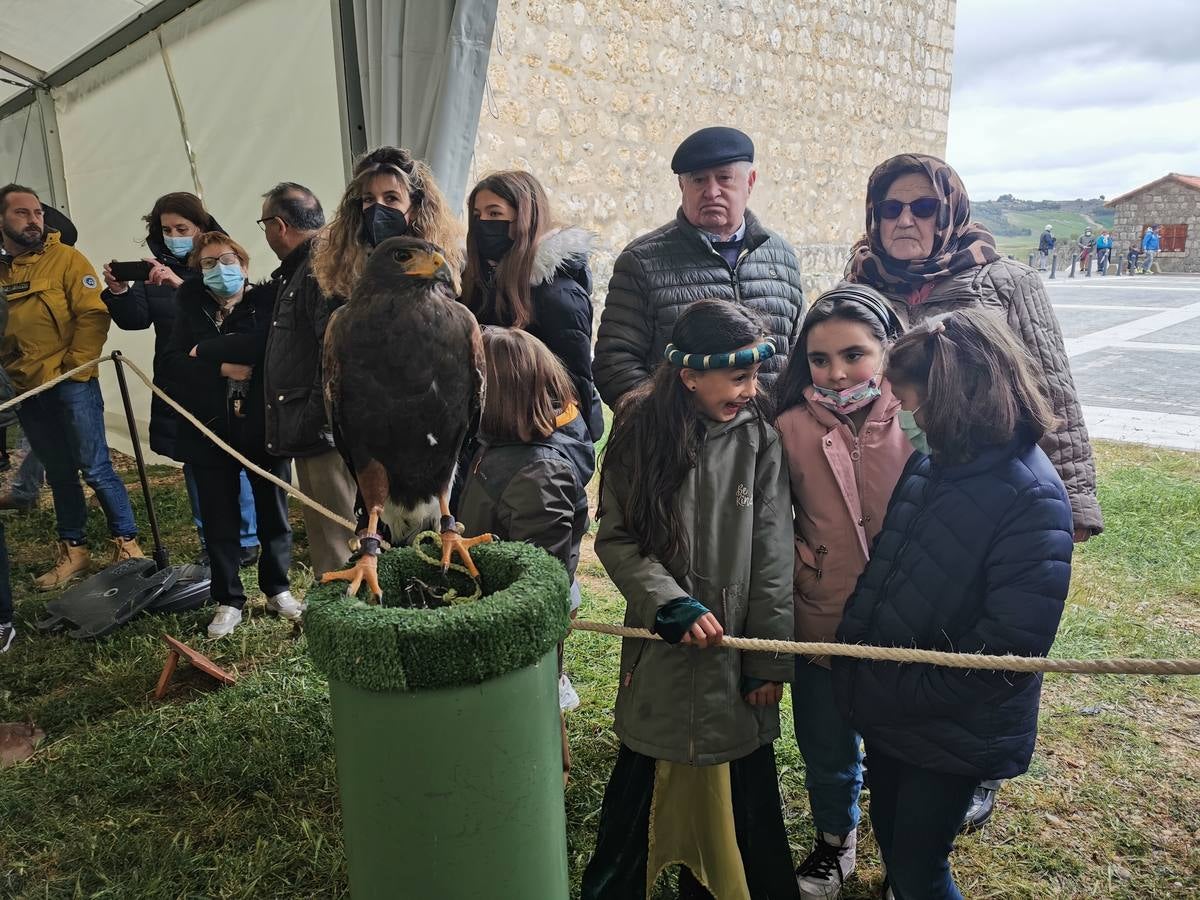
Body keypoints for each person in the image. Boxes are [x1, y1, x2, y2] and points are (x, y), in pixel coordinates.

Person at [846, 153, 1100, 828]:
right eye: (891, 207)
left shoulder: (1003, 280)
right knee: (912, 624)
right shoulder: (862, 281)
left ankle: (975, 769)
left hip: (991, 498)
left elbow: (1052, 388)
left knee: (996, 628)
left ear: (949, 212)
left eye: (922, 207)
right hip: (901, 491)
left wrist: (1072, 500)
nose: (905, 220)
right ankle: (897, 753)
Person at [833, 308, 1073, 900]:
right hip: (894, 709)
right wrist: (857, 660)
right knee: (893, 840)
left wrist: (897, 691)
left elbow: (1009, 649)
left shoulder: (1032, 496)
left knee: (919, 866)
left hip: (950, 726)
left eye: (913, 403)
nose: (905, 417)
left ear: (960, 397)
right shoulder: (934, 464)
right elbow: (886, 569)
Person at [581, 299, 796, 900]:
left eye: (756, 376)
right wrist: (664, 602)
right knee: (643, 786)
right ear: (690, 376)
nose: (751, 391)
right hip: (660, 659)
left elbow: (774, 557)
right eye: (737, 377)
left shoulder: (761, 443)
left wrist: (768, 661)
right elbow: (617, 539)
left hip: (734, 664)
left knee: (743, 804)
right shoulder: (636, 438)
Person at [771, 284, 913, 900]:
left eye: (854, 355)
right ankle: (836, 841)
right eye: (820, 359)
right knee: (826, 740)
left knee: (901, 743)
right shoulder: (788, 426)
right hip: (821, 610)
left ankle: (908, 852)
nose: (836, 373)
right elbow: (774, 516)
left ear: (887, 349)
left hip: (906, 613)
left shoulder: (917, 417)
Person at [456, 327, 595, 782]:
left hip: (528, 612)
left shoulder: (539, 472)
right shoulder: (503, 445)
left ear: (494, 391)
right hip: (496, 598)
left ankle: (548, 777)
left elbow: (541, 578)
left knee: (535, 690)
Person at [100, 192, 259, 569]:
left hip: (229, 376)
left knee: (240, 454)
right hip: (181, 380)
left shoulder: (219, 260)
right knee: (194, 459)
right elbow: (135, 320)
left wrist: (180, 284)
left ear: (201, 227)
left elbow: (229, 304)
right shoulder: (152, 270)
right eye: (166, 229)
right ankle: (210, 537)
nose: (174, 235)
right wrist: (120, 292)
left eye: (182, 228)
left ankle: (248, 537)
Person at [593, 126, 805, 408]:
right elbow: (615, 362)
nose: (712, 192)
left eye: (724, 178)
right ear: (682, 186)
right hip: (680, 443)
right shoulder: (641, 261)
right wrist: (668, 421)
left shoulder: (782, 257)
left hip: (769, 442)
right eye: (699, 180)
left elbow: (798, 353)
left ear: (750, 182)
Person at [0, 183, 144, 590]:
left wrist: (74, 370)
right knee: (60, 473)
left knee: (96, 467)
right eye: (22, 214)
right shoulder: (3, 272)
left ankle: (126, 544)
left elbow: (93, 315)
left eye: (38, 213)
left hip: (70, 384)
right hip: (27, 388)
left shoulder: (66, 259)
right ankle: (74, 550)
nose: (34, 220)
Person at [160, 232, 299, 638]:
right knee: (219, 517)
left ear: (242, 263)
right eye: (207, 264)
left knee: (273, 510)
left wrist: (204, 351)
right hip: (207, 430)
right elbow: (169, 366)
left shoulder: (267, 301)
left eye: (226, 259)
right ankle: (229, 599)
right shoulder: (189, 309)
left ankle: (278, 588)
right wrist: (222, 368)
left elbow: (269, 347)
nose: (219, 269)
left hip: (263, 425)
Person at [259, 182, 357, 580]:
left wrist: (314, 421)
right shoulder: (303, 266)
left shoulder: (320, 267)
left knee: (338, 537)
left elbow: (333, 354)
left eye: (265, 224)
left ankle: (352, 621)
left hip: (322, 432)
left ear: (279, 226)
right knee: (324, 532)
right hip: (312, 426)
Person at [461, 171, 604, 441]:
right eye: (477, 215)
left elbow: (575, 385)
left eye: (495, 213)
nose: (483, 224)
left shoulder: (559, 296)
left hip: (537, 438)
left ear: (525, 217)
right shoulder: (475, 286)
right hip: (486, 434)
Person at [311, 145, 464, 305]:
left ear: (415, 208)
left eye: (391, 198)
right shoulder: (342, 268)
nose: (378, 209)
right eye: (369, 199)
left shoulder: (437, 264)